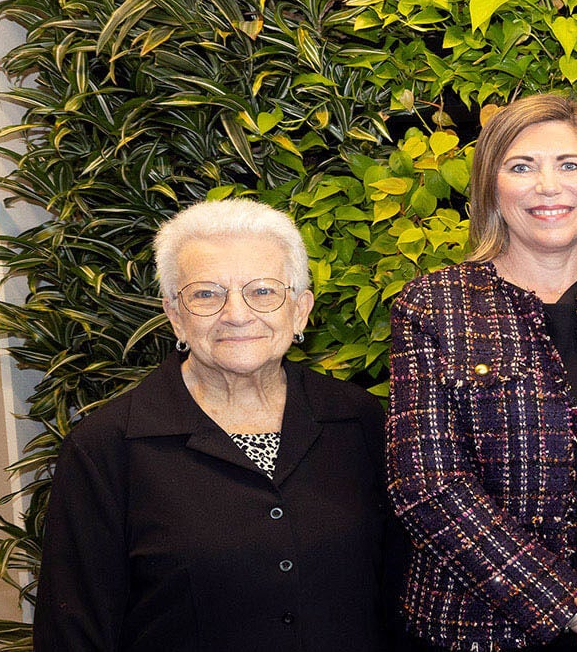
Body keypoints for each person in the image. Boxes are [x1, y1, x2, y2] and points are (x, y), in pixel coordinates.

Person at [387, 94, 577, 652]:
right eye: (521, 166)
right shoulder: (433, 306)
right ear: (490, 188)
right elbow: (427, 485)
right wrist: (568, 611)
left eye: (569, 165)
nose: (548, 187)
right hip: (481, 623)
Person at [35, 198, 399, 651]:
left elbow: (401, 597)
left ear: (301, 309)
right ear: (174, 315)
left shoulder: (360, 422)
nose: (237, 314)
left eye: (263, 291)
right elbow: (73, 634)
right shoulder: (106, 449)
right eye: (206, 293)